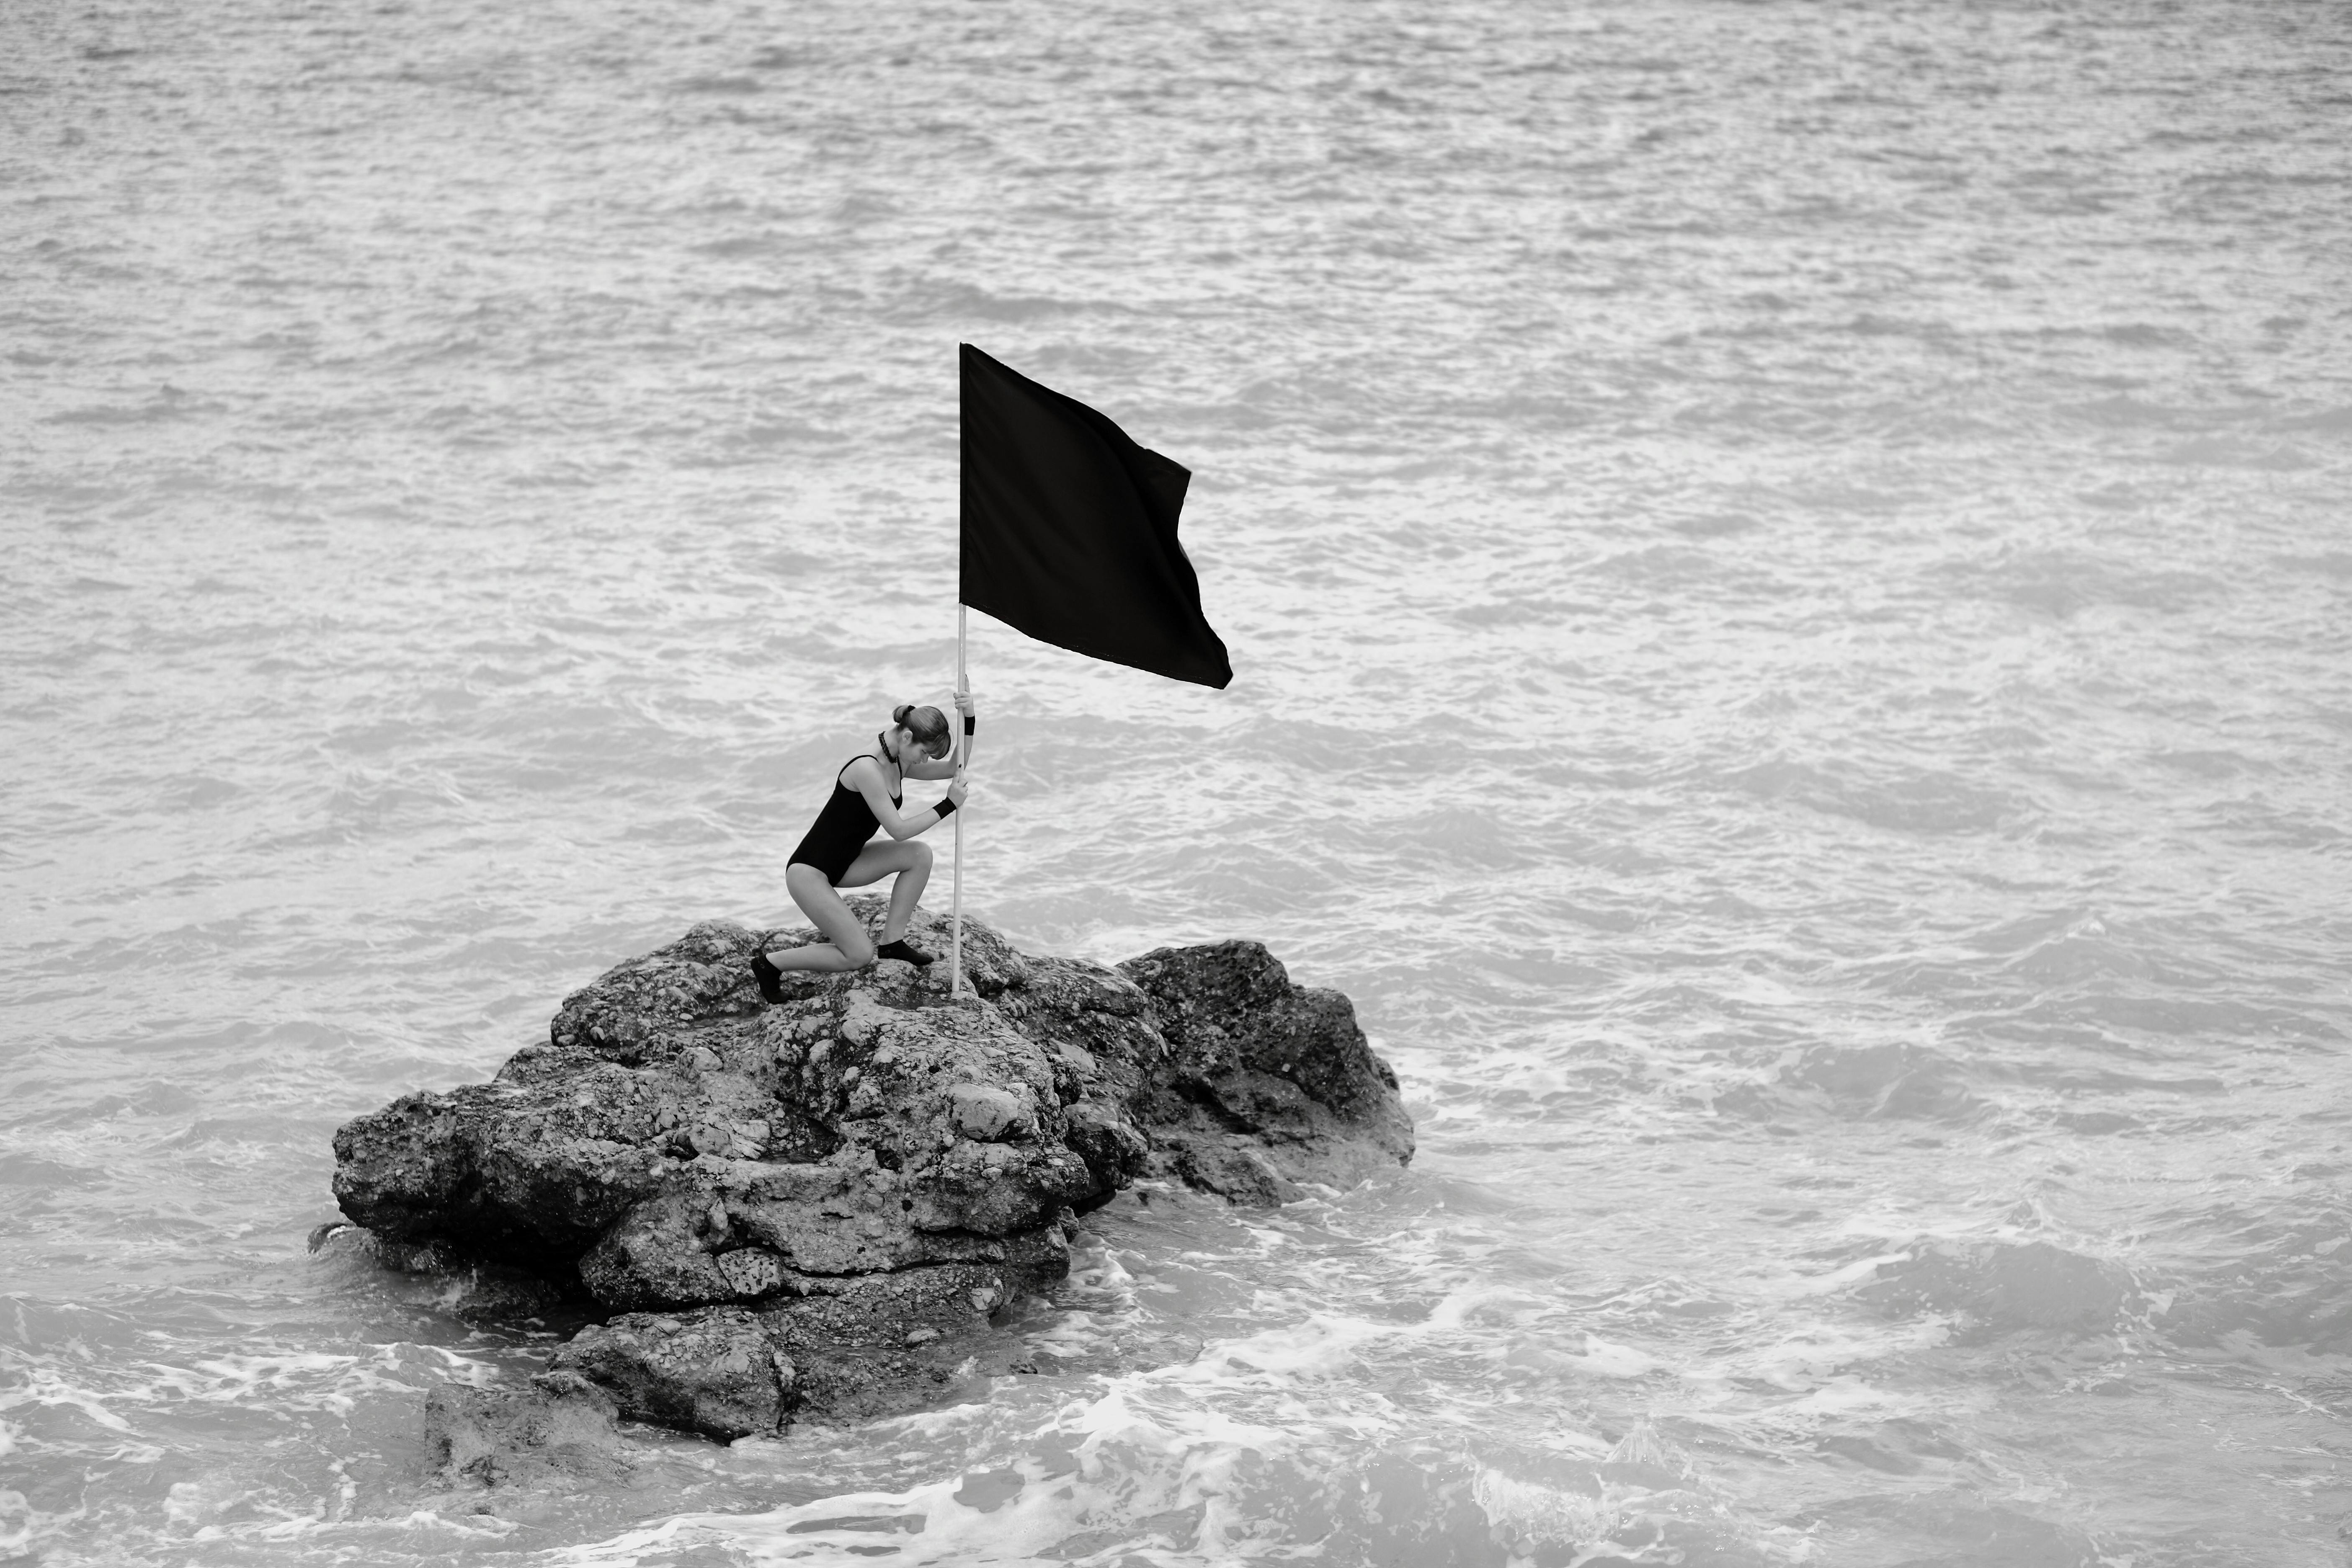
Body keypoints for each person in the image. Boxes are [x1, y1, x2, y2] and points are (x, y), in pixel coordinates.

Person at [750, 692, 975, 1000]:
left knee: (920, 855)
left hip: (849, 861)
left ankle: (893, 944)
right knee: (857, 955)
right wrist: (949, 805)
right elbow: (897, 829)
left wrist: (970, 718)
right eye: (924, 753)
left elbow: (953, 768)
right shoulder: (867, 768)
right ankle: (769, 964)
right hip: (810, 872)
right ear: (907, 736)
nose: (925, 761)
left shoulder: (898, 759)